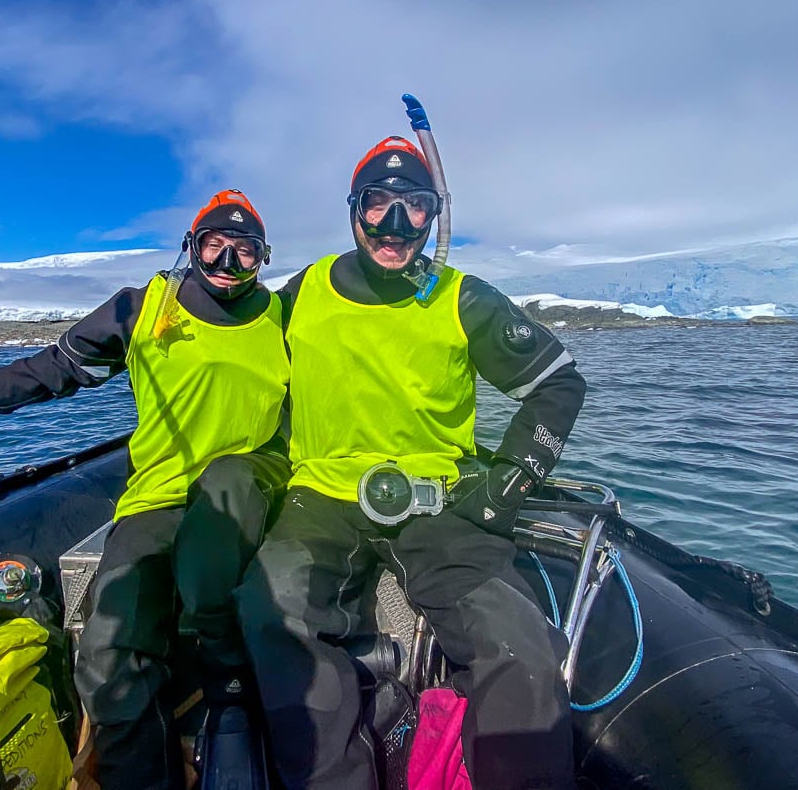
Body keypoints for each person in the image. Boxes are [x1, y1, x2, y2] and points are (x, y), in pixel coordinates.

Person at [0, 190, 291, 790]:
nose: (229, 262)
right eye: (215, 245)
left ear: (263, 258)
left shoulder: (283, 316)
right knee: (110, 647)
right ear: (191, 247)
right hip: (159, 496)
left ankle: (238, 706)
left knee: (227, 503)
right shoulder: (144, 309)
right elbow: (55, 369)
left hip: (253, 488)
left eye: (245, 252)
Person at [237, 133, 587, 789]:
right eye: (378, 203)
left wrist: (504, 489)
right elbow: (232, 348)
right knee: (270, 611)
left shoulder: (461, 297)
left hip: (440, 504)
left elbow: (558, 383)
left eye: (414, 207)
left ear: (433, 214)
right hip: (323, 500)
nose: (395, 224)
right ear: (353, 208)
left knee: (517, 647)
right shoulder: (304, 293)